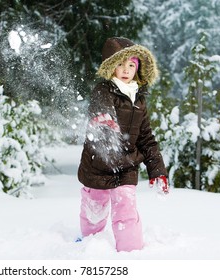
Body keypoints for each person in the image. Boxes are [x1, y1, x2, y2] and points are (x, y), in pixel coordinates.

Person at [77, 37, 169, 252]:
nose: (125, 70)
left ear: (137, 68)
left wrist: (158, 170)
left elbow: (146, 137)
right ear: (111, 67)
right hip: (98, 163)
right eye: (120, 64)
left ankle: (131, 253)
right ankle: (90, 246)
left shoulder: (139, 99)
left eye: (131, 65)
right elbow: (100, 107)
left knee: (126, 209)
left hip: (127, 165)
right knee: (94, 210)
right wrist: (104, 119)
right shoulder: (103, 90)